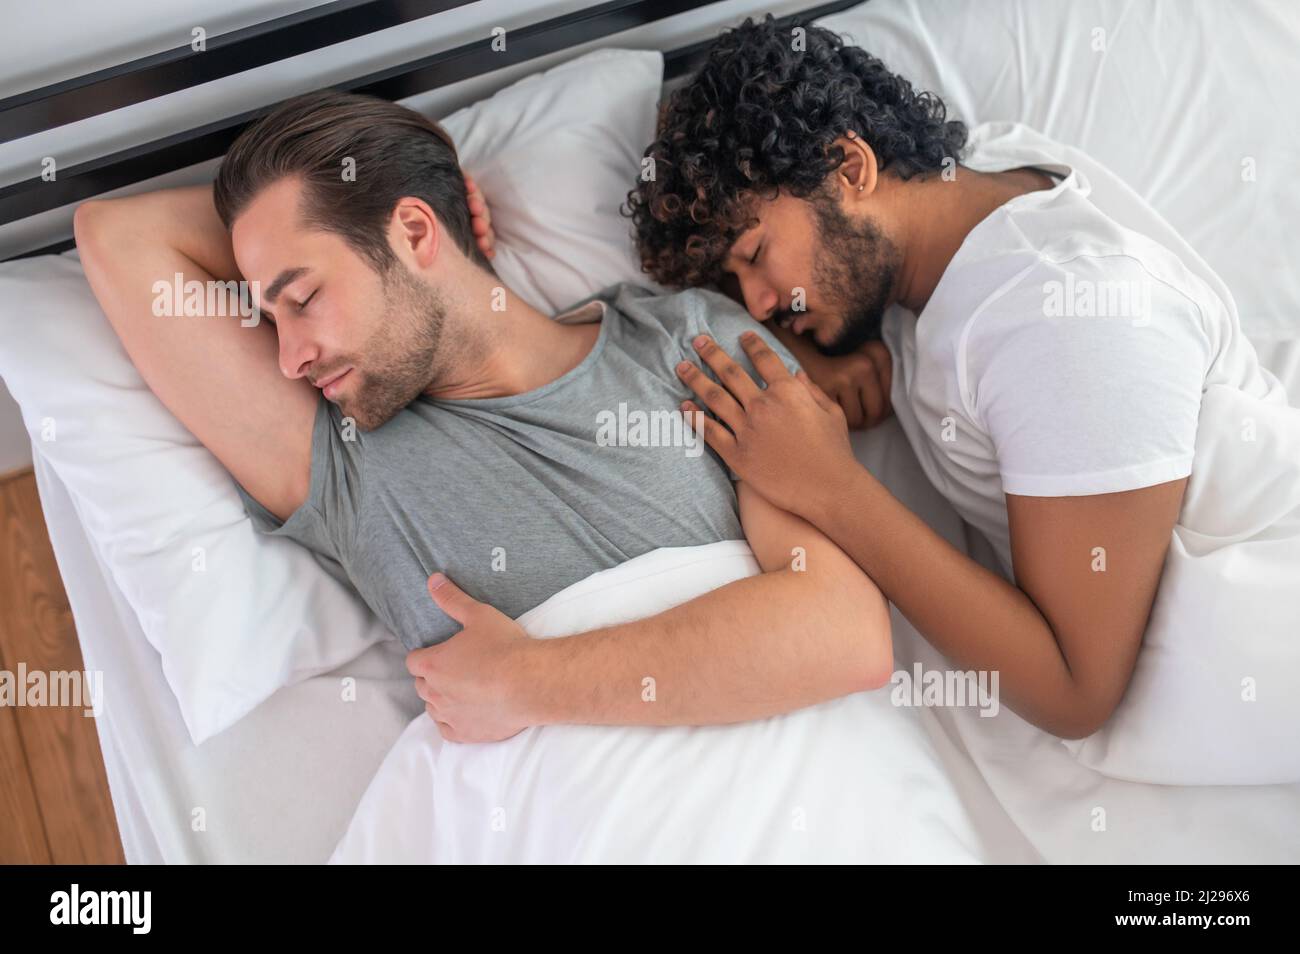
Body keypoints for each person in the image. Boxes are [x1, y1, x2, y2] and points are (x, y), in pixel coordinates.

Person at [74, 89, 892, 743]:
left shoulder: (691, 341)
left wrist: (522, 683)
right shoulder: (349, 465)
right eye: (268, 312)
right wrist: (394, 179)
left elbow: (844, 632)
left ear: (415, 232)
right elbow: (114, 234)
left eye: (303, 298)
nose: (287, 357)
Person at [612, 17, 1277, 740]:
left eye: (756, 255)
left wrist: (831, 487)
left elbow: (1074, 691)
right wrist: (842, 347)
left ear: (851, 166)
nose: (762, 305)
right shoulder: (972, 184)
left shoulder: (1066, 320)